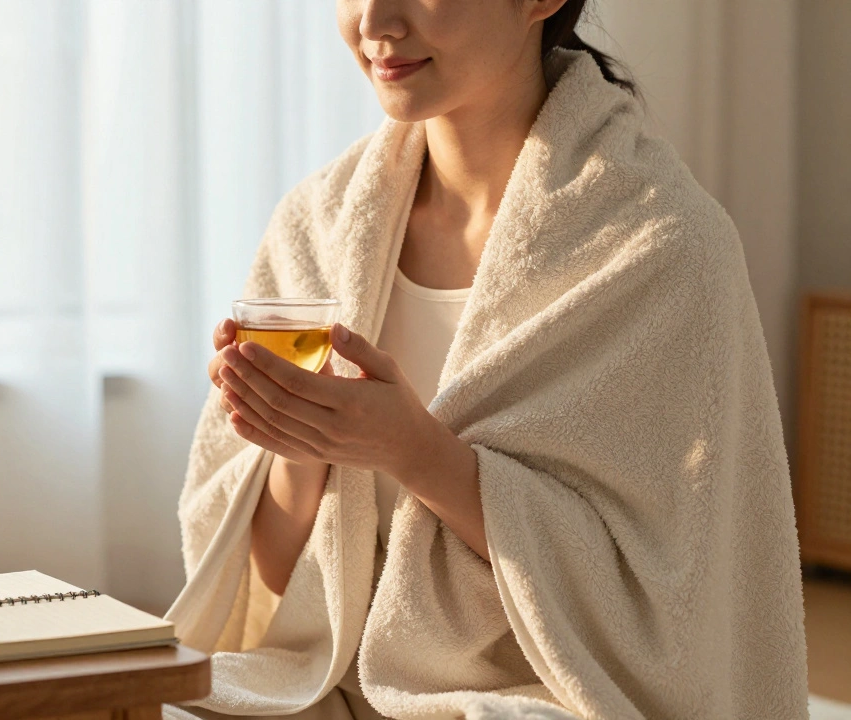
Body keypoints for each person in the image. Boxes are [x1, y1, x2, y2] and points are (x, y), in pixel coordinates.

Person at [165, 1, 808, 718]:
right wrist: (299, 439)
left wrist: (414, 451)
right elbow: (272, 591)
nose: (375, 19)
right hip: (330, 686)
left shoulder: (665, 246)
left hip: (544, 694)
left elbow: (667, 616)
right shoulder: (319, 226)